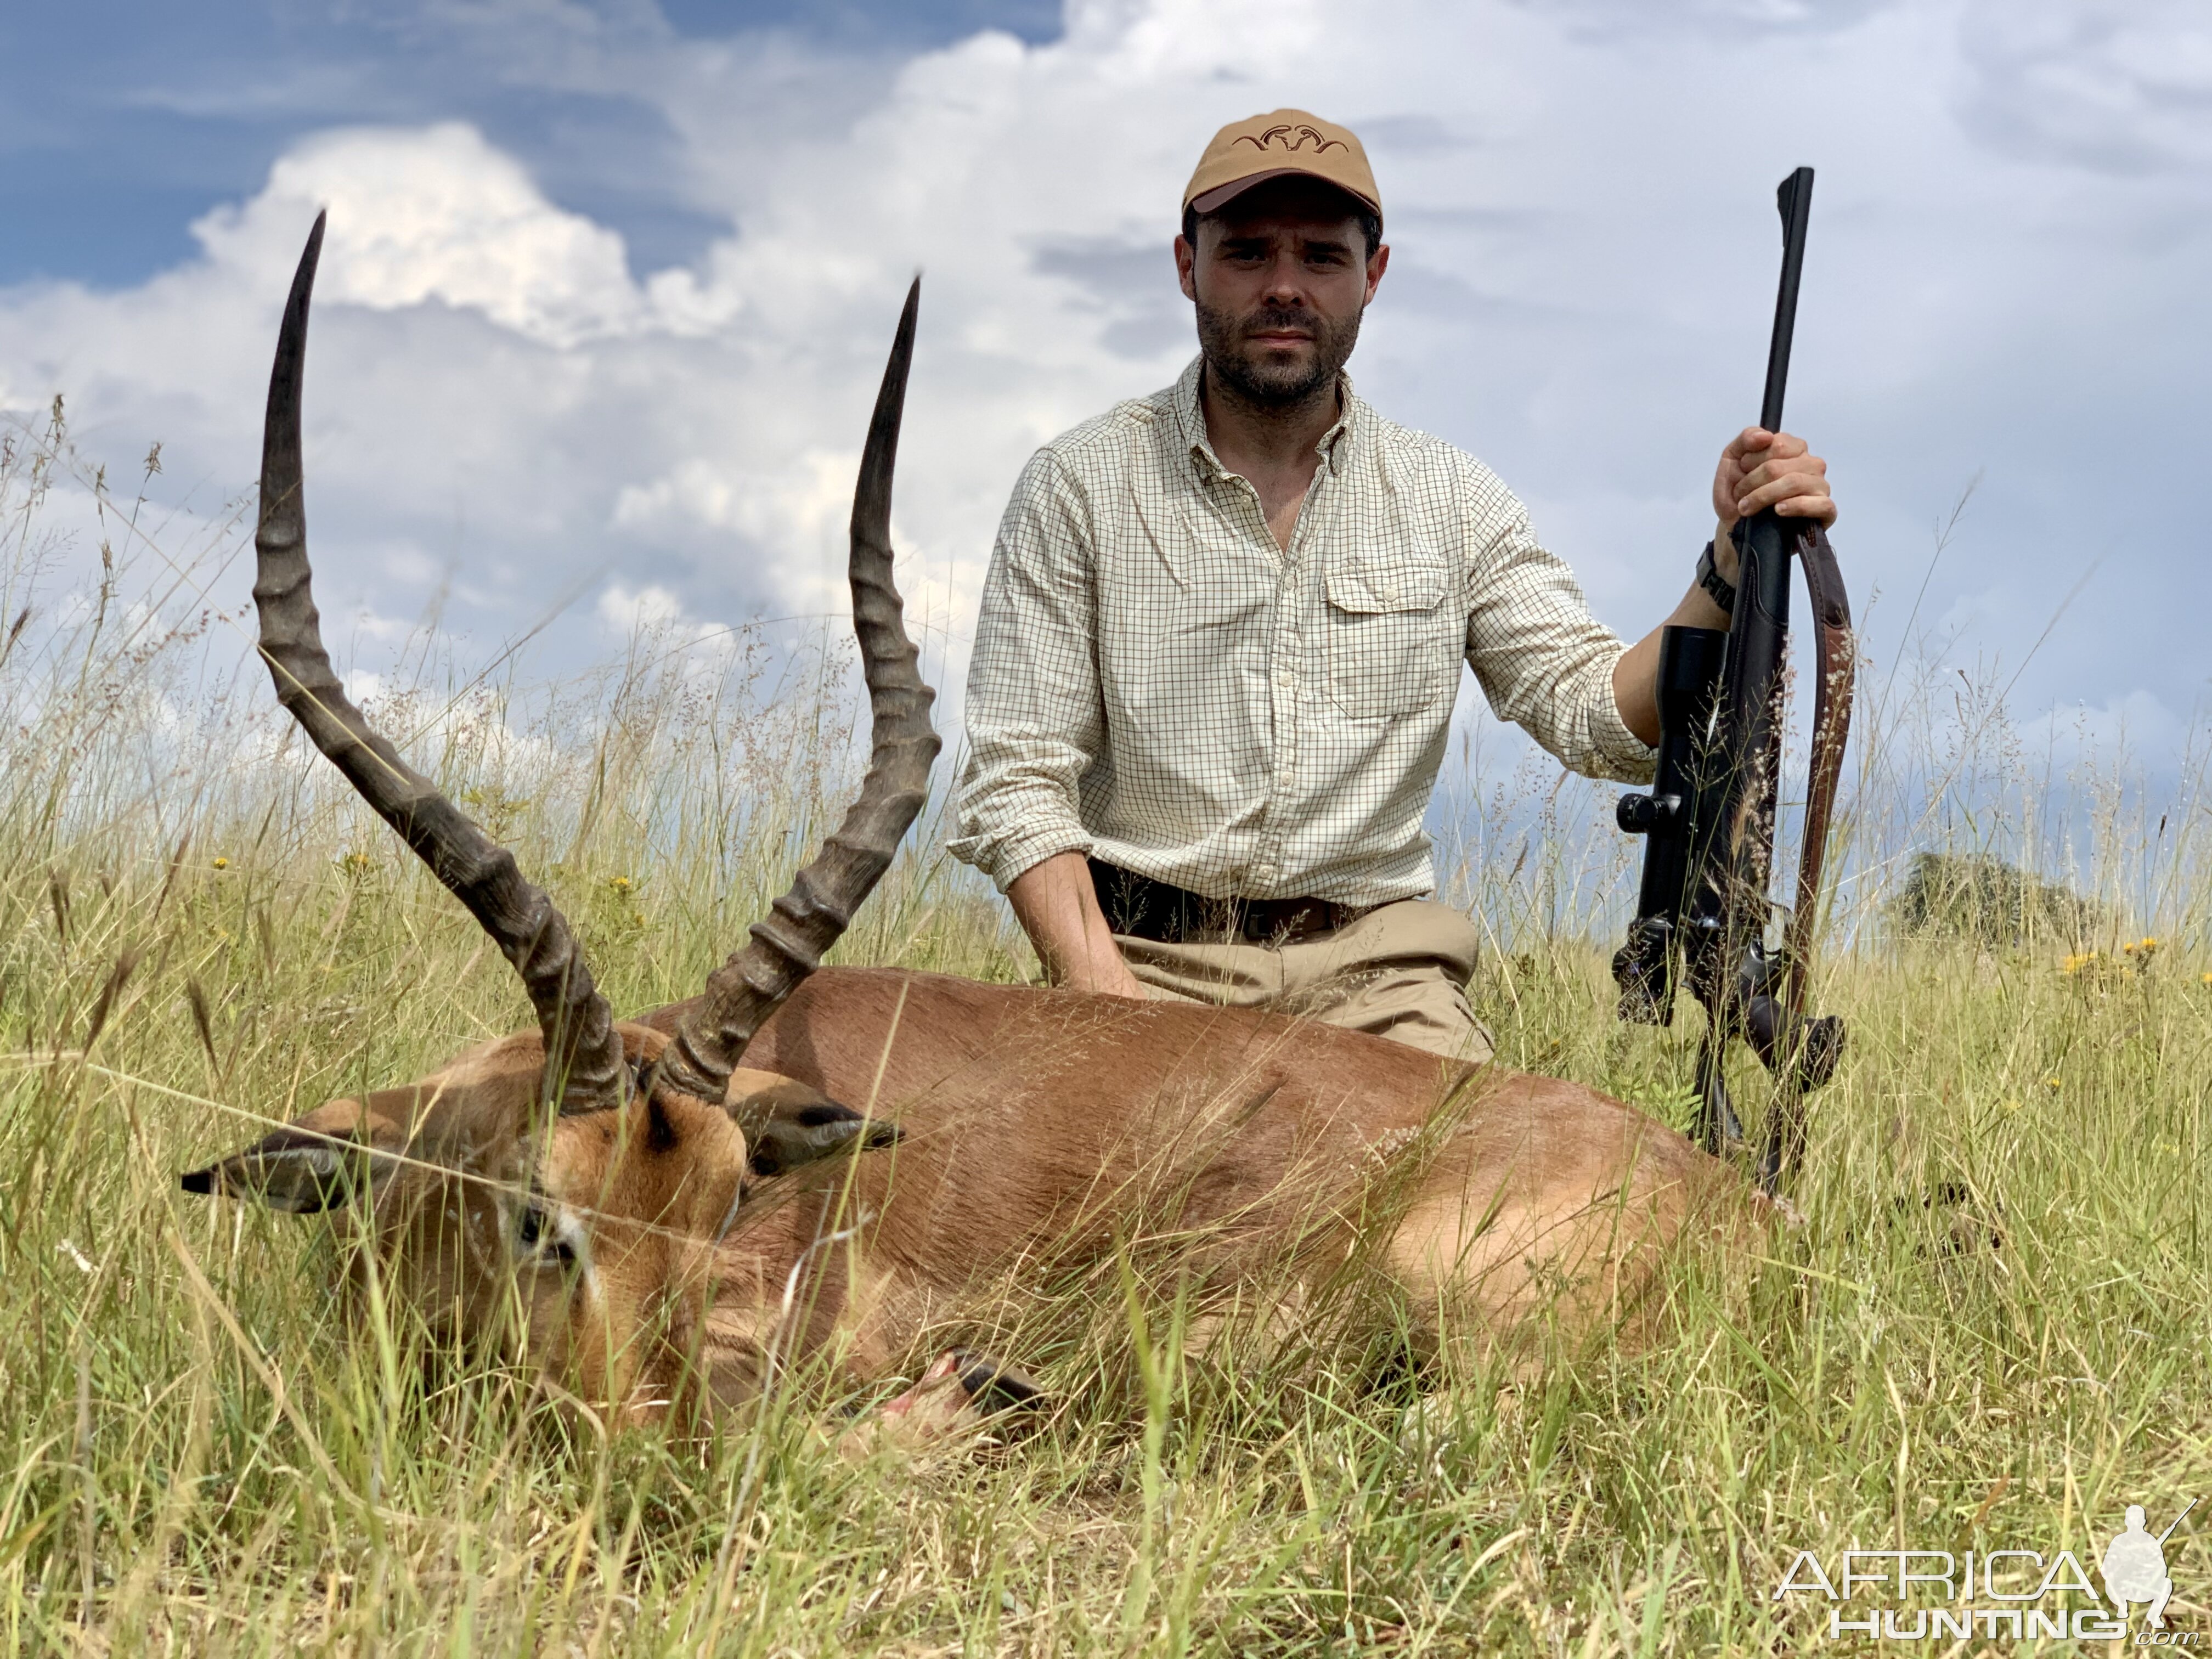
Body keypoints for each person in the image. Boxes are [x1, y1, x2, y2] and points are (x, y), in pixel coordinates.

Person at [948, 109, 1837, 1060]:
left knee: (1485, 1194)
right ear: (1185, 265)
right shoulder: (1078, 483)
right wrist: (1110, 1006)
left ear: (1372, 275)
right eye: (1246, 253)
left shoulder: (1449, 496)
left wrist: (1729, 564)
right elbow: (1016, 782)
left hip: (1380, 977)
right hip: (1144, 963)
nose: (1284, 287)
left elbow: (1595, 716)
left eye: (1322, 258)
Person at [2101, 1505, 2176, 1629]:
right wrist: (2122, 1566)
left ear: (2144, 1522)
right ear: (2126, 1522)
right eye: (2131, 1520)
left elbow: (2163, 1569)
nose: (2135, 1523)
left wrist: (2146, 1565)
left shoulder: (2151, 1542)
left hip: (2146, 1586)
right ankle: (2122, 1610)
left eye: (2138, 1520)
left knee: (2167, 1583)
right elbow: (2106, 1568)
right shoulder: (2119, 1541)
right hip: (2123, 1588)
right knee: (2110, 1582)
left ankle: (2154, 1615)